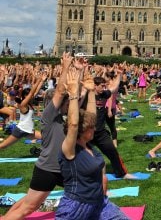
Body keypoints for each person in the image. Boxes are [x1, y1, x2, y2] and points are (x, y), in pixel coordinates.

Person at [55, 58, 128, 219]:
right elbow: (73, 124)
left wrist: (90, 92)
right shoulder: (70, 148)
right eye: (90, 128)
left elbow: (92, 116)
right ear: (82, 131)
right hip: (76, 207)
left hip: (99, 203)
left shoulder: (89, 146)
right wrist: (74, 95)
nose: (93, 128)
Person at [4, 54, 70, 220]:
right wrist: (66, 67)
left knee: (28, 202)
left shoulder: (59, 117)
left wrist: (79, 72)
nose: (69, 105)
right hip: (48, 168)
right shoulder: (50, 114)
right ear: (58, 103)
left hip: (61, 168)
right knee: (28, 208)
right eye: (66, 103)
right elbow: (60, 91)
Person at [0, 71, 44, 150]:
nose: (31, 96)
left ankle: (43, 151)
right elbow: (31, 93)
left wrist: (42, 81)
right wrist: (38, 80)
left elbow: (35, 92)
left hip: (28, 131)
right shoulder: (23, 104)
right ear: (25, 96)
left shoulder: (29, 104)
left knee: (46, 137)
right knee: (3, 146)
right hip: (21, 130)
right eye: (28, 95)